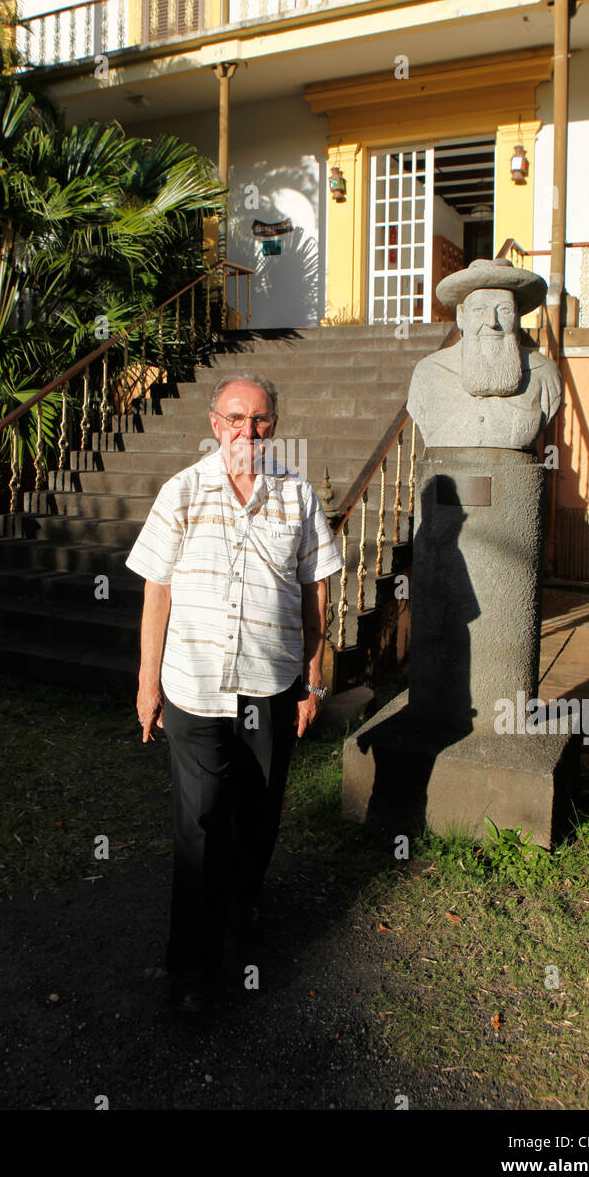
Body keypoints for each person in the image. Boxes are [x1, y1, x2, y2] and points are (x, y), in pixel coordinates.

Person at [125, 373, 343, 1013]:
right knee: (198, 824)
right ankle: (193, 972)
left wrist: (312, 677)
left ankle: (243, 898)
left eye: (261, 420)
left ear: (272, 426)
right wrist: (147, 685)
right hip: (194, 689)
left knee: (259, 810)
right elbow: (156, 591)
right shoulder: (182, 492)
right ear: (215, 423)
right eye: (236, 418)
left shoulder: (295, 494)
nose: (249, 431)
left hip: (270, 687)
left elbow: (315, 590)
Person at [407, 259, 562, 450]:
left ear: (517, 317)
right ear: (461, 317)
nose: (492, 321)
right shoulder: (428, 374)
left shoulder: (545, 374)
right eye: (479, 309)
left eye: (504, 310)